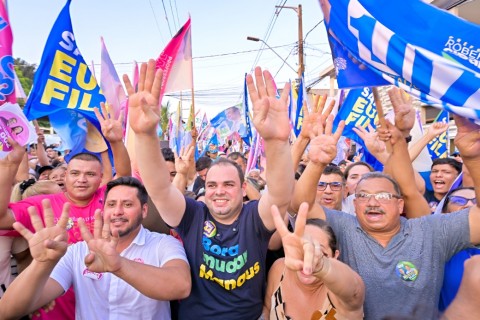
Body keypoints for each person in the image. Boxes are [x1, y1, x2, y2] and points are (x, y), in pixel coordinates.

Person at [126, 60, 294, 319]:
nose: (219, 191)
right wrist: (145, 135)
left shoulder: (254, 219)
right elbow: (159, 188)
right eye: (212, 184)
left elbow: (281, 195)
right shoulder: (193, 216)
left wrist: (276, 141)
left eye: (229, 185)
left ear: (243, 189)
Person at [291, 114, 480, 319]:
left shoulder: (431, 231)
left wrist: (473, 159)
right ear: (354, 204)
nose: (373, 203)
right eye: (363, 196)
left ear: (400, 205)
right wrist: (316, 163)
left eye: (382, 196)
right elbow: (303, 205)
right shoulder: (343, 227)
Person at [0, 102, 131, 319]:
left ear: (101, 178)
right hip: (54, 304)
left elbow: (125, 179)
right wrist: (8, 167)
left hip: (104, 303)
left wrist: (116, 142)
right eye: (75, 173)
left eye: (90, 175)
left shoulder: (107, 199)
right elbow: (1, 218)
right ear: (65, 174)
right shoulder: (42, 205)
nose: (81, 179)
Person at [0, 176, 191, 320]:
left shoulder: (163, 244)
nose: (117, 211)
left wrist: (120, 266)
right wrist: (42, 264)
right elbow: (8, 311)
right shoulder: (77, 251)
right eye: (111, 204)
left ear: (144, 211)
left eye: (127, 204)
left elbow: (180, 287)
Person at [263, 202, 364, 319]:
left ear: (334, 256)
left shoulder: (338, 293)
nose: (308, 259)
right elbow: (267, 307)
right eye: (302, 250)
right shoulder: (280, 268)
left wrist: (321, 266)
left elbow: (355, 291)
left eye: (320, 253)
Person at [439, 186, 480, 312]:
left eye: (476, 201)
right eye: (458, 200)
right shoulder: (436, 246)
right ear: (444, 213)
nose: (468, 205)